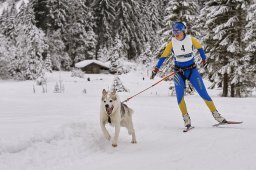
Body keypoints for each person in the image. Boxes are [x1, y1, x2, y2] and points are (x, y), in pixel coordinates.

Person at [151, 22, 227, 128]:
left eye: (177, 31)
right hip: (179, 73)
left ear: (183, 31)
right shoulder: (172, 43)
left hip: (192, 71)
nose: (176, 33)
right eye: (174, 31)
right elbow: (163, 56)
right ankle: (186, 119)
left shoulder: (191, 39)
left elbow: (200, 48)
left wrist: (204, 59)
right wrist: (156, 68)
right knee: (180, 97)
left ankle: (217, 115)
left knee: (203, 93)